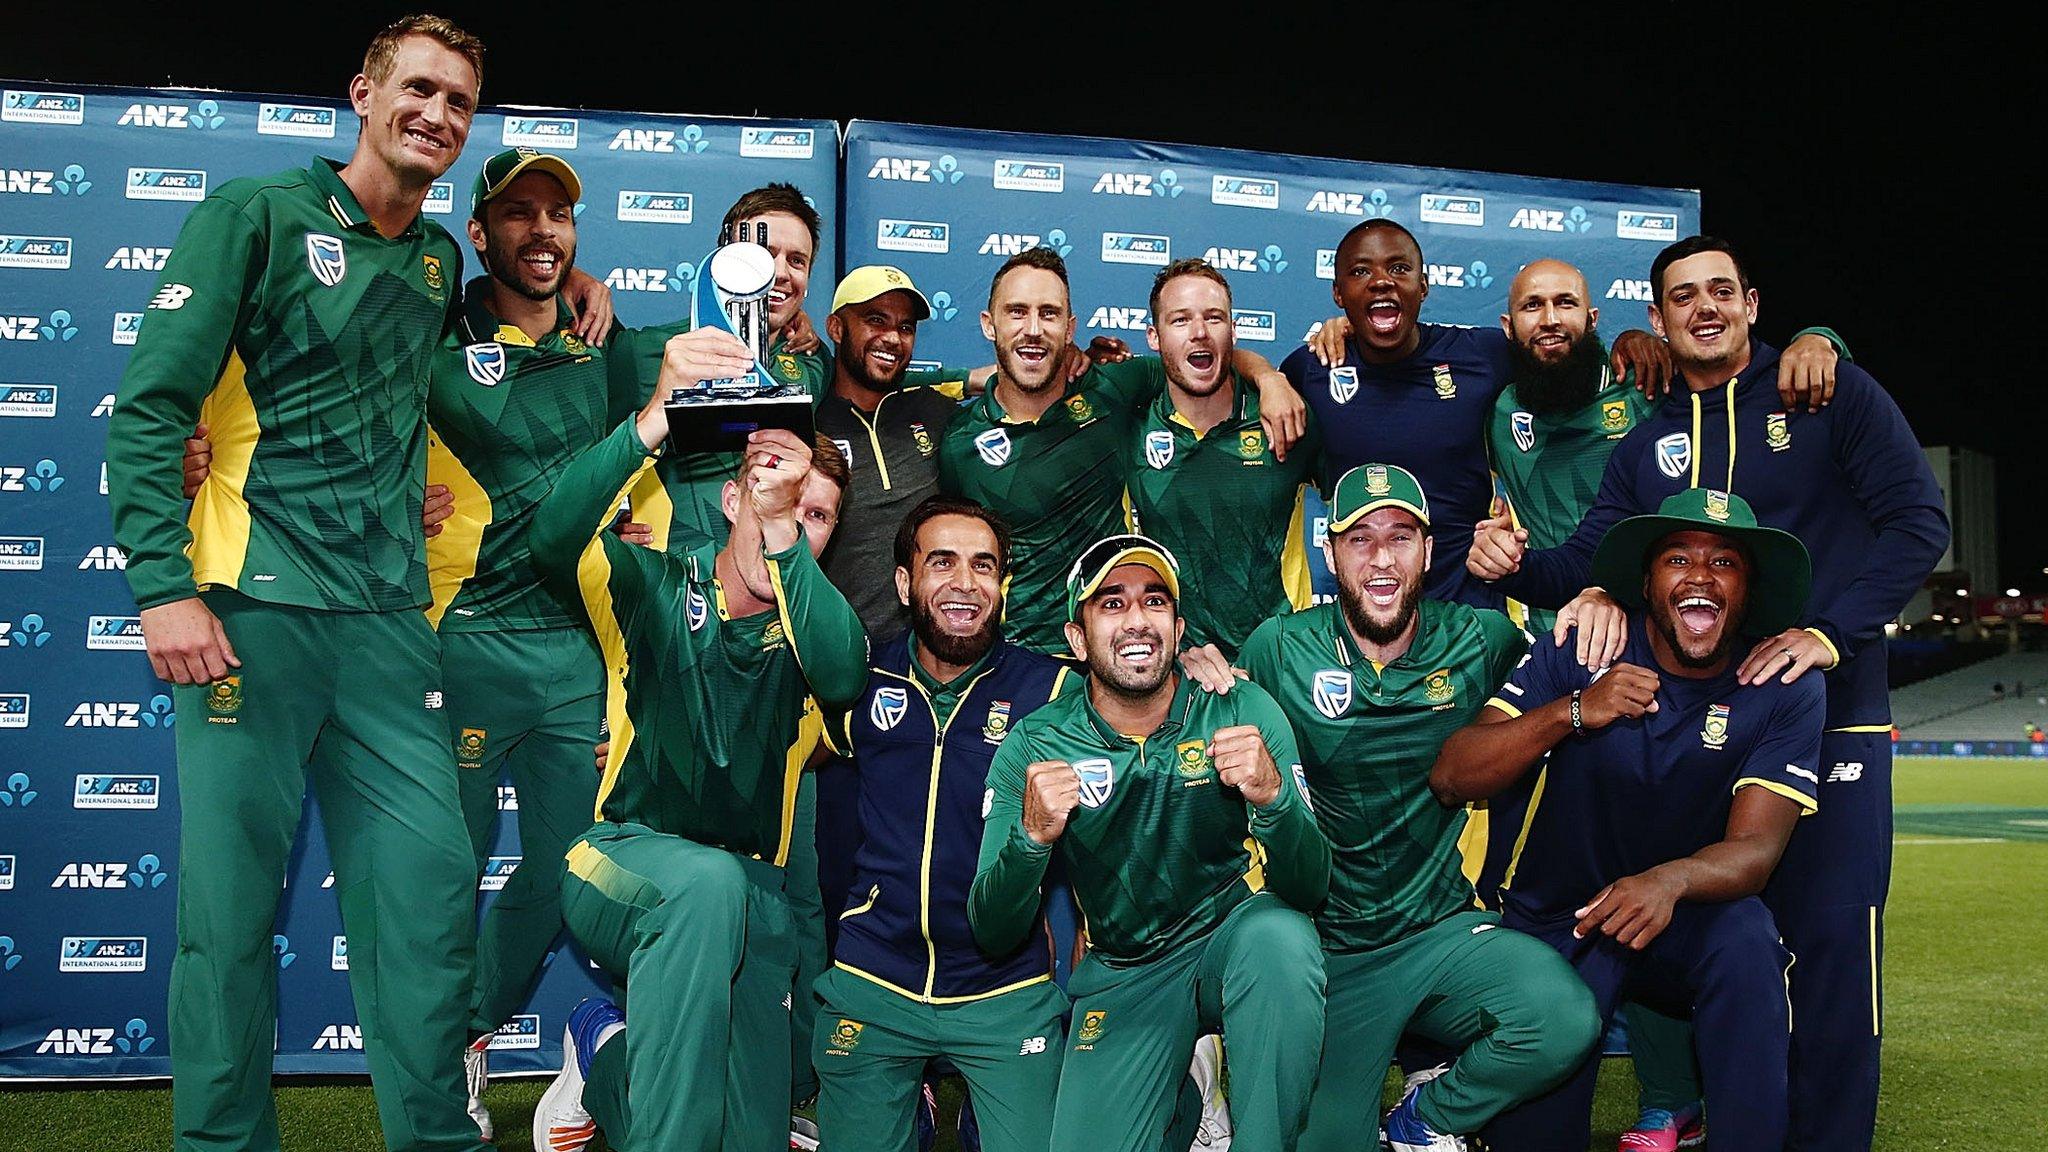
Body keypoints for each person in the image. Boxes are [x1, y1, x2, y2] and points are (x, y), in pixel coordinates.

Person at [104, 16, 497, 1151]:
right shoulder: (258, 215)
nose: (436, 113)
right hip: (247, 616)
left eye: (459, 101)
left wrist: (405, 487)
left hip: (384, 629)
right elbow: (152, 407)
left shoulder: (438, 260)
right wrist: (161, 585)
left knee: (426, 911)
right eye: (417, 88)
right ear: (363, 95)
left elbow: (389, 401)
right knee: (226, 924)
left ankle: (436, 1137)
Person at [1467, 236, 1950, 1151]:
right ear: (1657, 319)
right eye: (1683, 296)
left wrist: (1828, 635)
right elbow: (1593, 559)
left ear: (1753, 304)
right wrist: (1518, 563)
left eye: (1721, 291)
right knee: (1732, 950)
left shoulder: (1826, 390)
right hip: (1718, 737)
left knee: (1837, 956)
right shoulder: (1646, 438)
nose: (1705, 308)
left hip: (1835, 716)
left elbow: (1920, 520)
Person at [522, 357, 866, 1152]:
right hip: (620, 857)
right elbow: (549, 538)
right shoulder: (650, 585)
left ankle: (604, 1057)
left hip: (754, 905)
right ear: (731, 496)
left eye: (816, 515)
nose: (794, 517)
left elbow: (845, 673)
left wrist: (782, 531)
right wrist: (655, 420)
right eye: (775, 491)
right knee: (706, 886)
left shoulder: (817, 632)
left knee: (740, 1132)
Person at [1432, 487, 1826, 1151]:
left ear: (1749, 589)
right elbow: (1453, 774)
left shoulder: (1781, 681)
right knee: (1533, 1135)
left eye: (1725, 563)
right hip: (1564, 917)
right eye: (1678, 558)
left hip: (1685, 917)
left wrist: (1668, 882)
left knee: (1748, 939)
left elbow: (1756, 850)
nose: (1700, 576)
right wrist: (1576, 710)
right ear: (1646, 582)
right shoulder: (1586, 648)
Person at [1234, 464, 1599, 1152]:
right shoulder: (1278, 646)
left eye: (1401, 537)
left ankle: (1426, 1118)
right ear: (1331, 552)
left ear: (1429, 552)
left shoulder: (1483, 639)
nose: (1380, 557)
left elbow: (1561, 679)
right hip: (1332, 950)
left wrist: (1597, 599)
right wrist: (1198, 668)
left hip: (1440, 934)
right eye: (1360, 538)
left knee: (1561, 1018)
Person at [971, 535, 1331, 1152]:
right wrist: (1030, 841)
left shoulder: (1239, 708)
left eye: (1154, 602)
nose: (1137, 620)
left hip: (1231, 939)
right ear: (1077, 639)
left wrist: (1273, 800)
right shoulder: (1035, 744)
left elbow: (1310, 885)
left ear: (1178, 626)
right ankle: (1186, 1087)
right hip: (1127, 968)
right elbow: (992, 928)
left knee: (1282, 940)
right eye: (1112, 604)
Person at [811, 495, 1077, 1152]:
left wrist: (1201, 679)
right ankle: (915, 1113)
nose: (965, 583)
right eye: (943, 563)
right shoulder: (858, 678)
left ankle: (984, 1113)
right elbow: (756, 727)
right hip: (875, 979)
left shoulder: (1053, 693)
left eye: (984, 566)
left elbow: (1142, 741)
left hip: (1004, 987)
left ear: (1002, 586)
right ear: (905, 582)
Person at [940, 249, 1305, 654]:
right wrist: (966, 379)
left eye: (1049, 313)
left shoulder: (1113, 389)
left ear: (1069, 327)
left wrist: (1270, 378)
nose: (1033, 328)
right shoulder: (959, 443)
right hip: (1019, 660)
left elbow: (1195, 355)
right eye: (1016, 312)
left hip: (1114, 652)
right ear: (989, 325)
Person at [1125, 259, 1321, 657]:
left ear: (1233, 331)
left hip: (1280, 661)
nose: (1199, 333)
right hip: (1174, 668)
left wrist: (1271, 377)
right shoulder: (1127, 426)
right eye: (1180, 321)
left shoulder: (1286, 417)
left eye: (1214, 318)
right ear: (1154, 336)